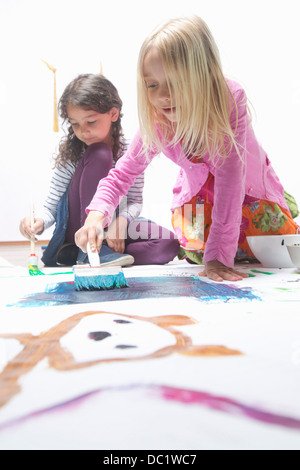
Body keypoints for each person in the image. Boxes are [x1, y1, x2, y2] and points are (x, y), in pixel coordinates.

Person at [74, 16, 299, 282]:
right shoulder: (158, 121)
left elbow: (230, 181)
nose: (162, 96)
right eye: (152, 84)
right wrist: (95, 217)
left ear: (203, 75)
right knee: (197, 251)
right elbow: (122, 175)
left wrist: (218, 258)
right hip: (200, 194)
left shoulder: (229, 100)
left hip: (247, 190)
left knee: (274, 247)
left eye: (175, 82)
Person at [19, 73, 179, 267]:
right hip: (80, 227)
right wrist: (38, 222)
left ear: (113, 114)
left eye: (91, 122)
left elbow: (135, 201)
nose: (83, 131)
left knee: (169, 243)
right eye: (75, 124)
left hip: (112, 224)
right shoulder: (73, 154)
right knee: (100, 153)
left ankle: (98, 254)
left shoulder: (131, 150)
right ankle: (91, 250)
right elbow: (51, 205)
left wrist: (121, 222)